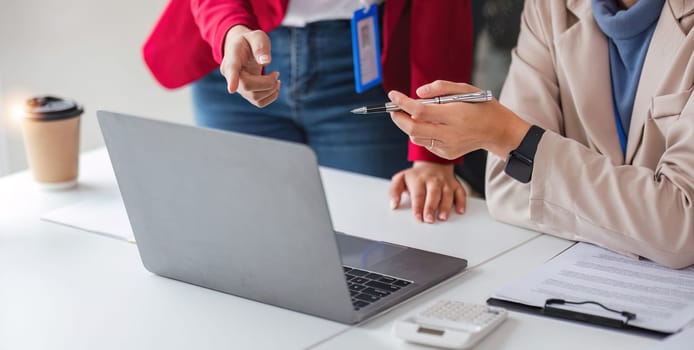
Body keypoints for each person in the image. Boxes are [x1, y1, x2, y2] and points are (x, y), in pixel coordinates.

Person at [387, 0, 694, 268]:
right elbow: (506, 190)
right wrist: (642, 225)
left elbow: (681, 228)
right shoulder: (549, 8)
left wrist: (511, 137)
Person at [142, 0, 477, 223]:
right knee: (242, 235)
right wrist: (227, 30)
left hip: (366, 62)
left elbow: (440, 10)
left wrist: (431, 149)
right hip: (237, 55)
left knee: (376, 247)